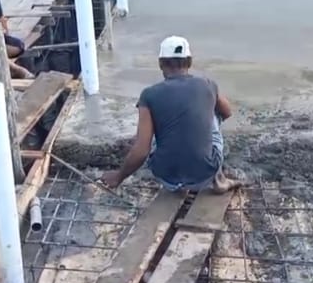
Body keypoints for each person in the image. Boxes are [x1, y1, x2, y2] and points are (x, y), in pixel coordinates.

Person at [100, 35, 241, 194]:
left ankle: (180, 169)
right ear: (190, 61)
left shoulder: (148, 94)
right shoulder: (207, 84)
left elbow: (142, 150)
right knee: (214, 113)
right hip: (205, 174)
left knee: (153, 127)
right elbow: (227, 113)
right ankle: (218, 178)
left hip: (167, 179)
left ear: (160, 63)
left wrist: (118, 177)